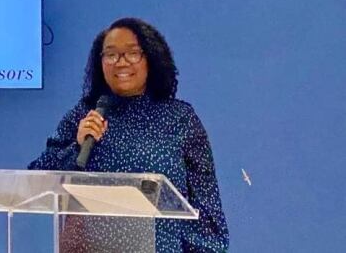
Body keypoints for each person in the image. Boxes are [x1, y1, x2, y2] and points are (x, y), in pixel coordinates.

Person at [29, 18, 229, 252]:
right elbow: (37, 179)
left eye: (133, 53)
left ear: (151, 59)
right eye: (111, 55)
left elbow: (206, 203)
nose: (120, 63)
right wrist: (77, 144)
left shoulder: (179, 118)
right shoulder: (84, 115)